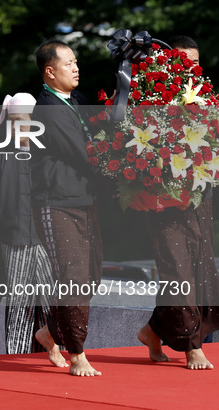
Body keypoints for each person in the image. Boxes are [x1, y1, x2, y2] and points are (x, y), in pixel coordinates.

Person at [137, 35, 219, 370]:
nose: (190, 68)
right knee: (177, 266)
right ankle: (191, 345)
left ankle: (153, 331)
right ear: (169, 62)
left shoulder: (206, 97)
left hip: (200, 196)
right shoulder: (149, 94)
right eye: (183, 61)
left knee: (199, 266)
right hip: (162, 199)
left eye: (194, 62)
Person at [30, 41, 103, 376]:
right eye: (69, 63)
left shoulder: (77, 101)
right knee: (73, 278)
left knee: (90, 276)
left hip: (84, 200)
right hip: (56, 203)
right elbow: (84, 154)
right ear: (50, 71)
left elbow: (102, 137)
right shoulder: (48, 108)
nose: (76, 68)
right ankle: (77, 353)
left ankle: (51, 332)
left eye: (77, 62)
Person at [0, 92, 53, 354]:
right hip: (14, 242)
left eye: (24, 120)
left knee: (53, 303)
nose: (18, 126)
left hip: (49, 242)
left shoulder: (51, 156)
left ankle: (55, 352)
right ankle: (17, 359)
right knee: (19, 304)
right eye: (13, 120)